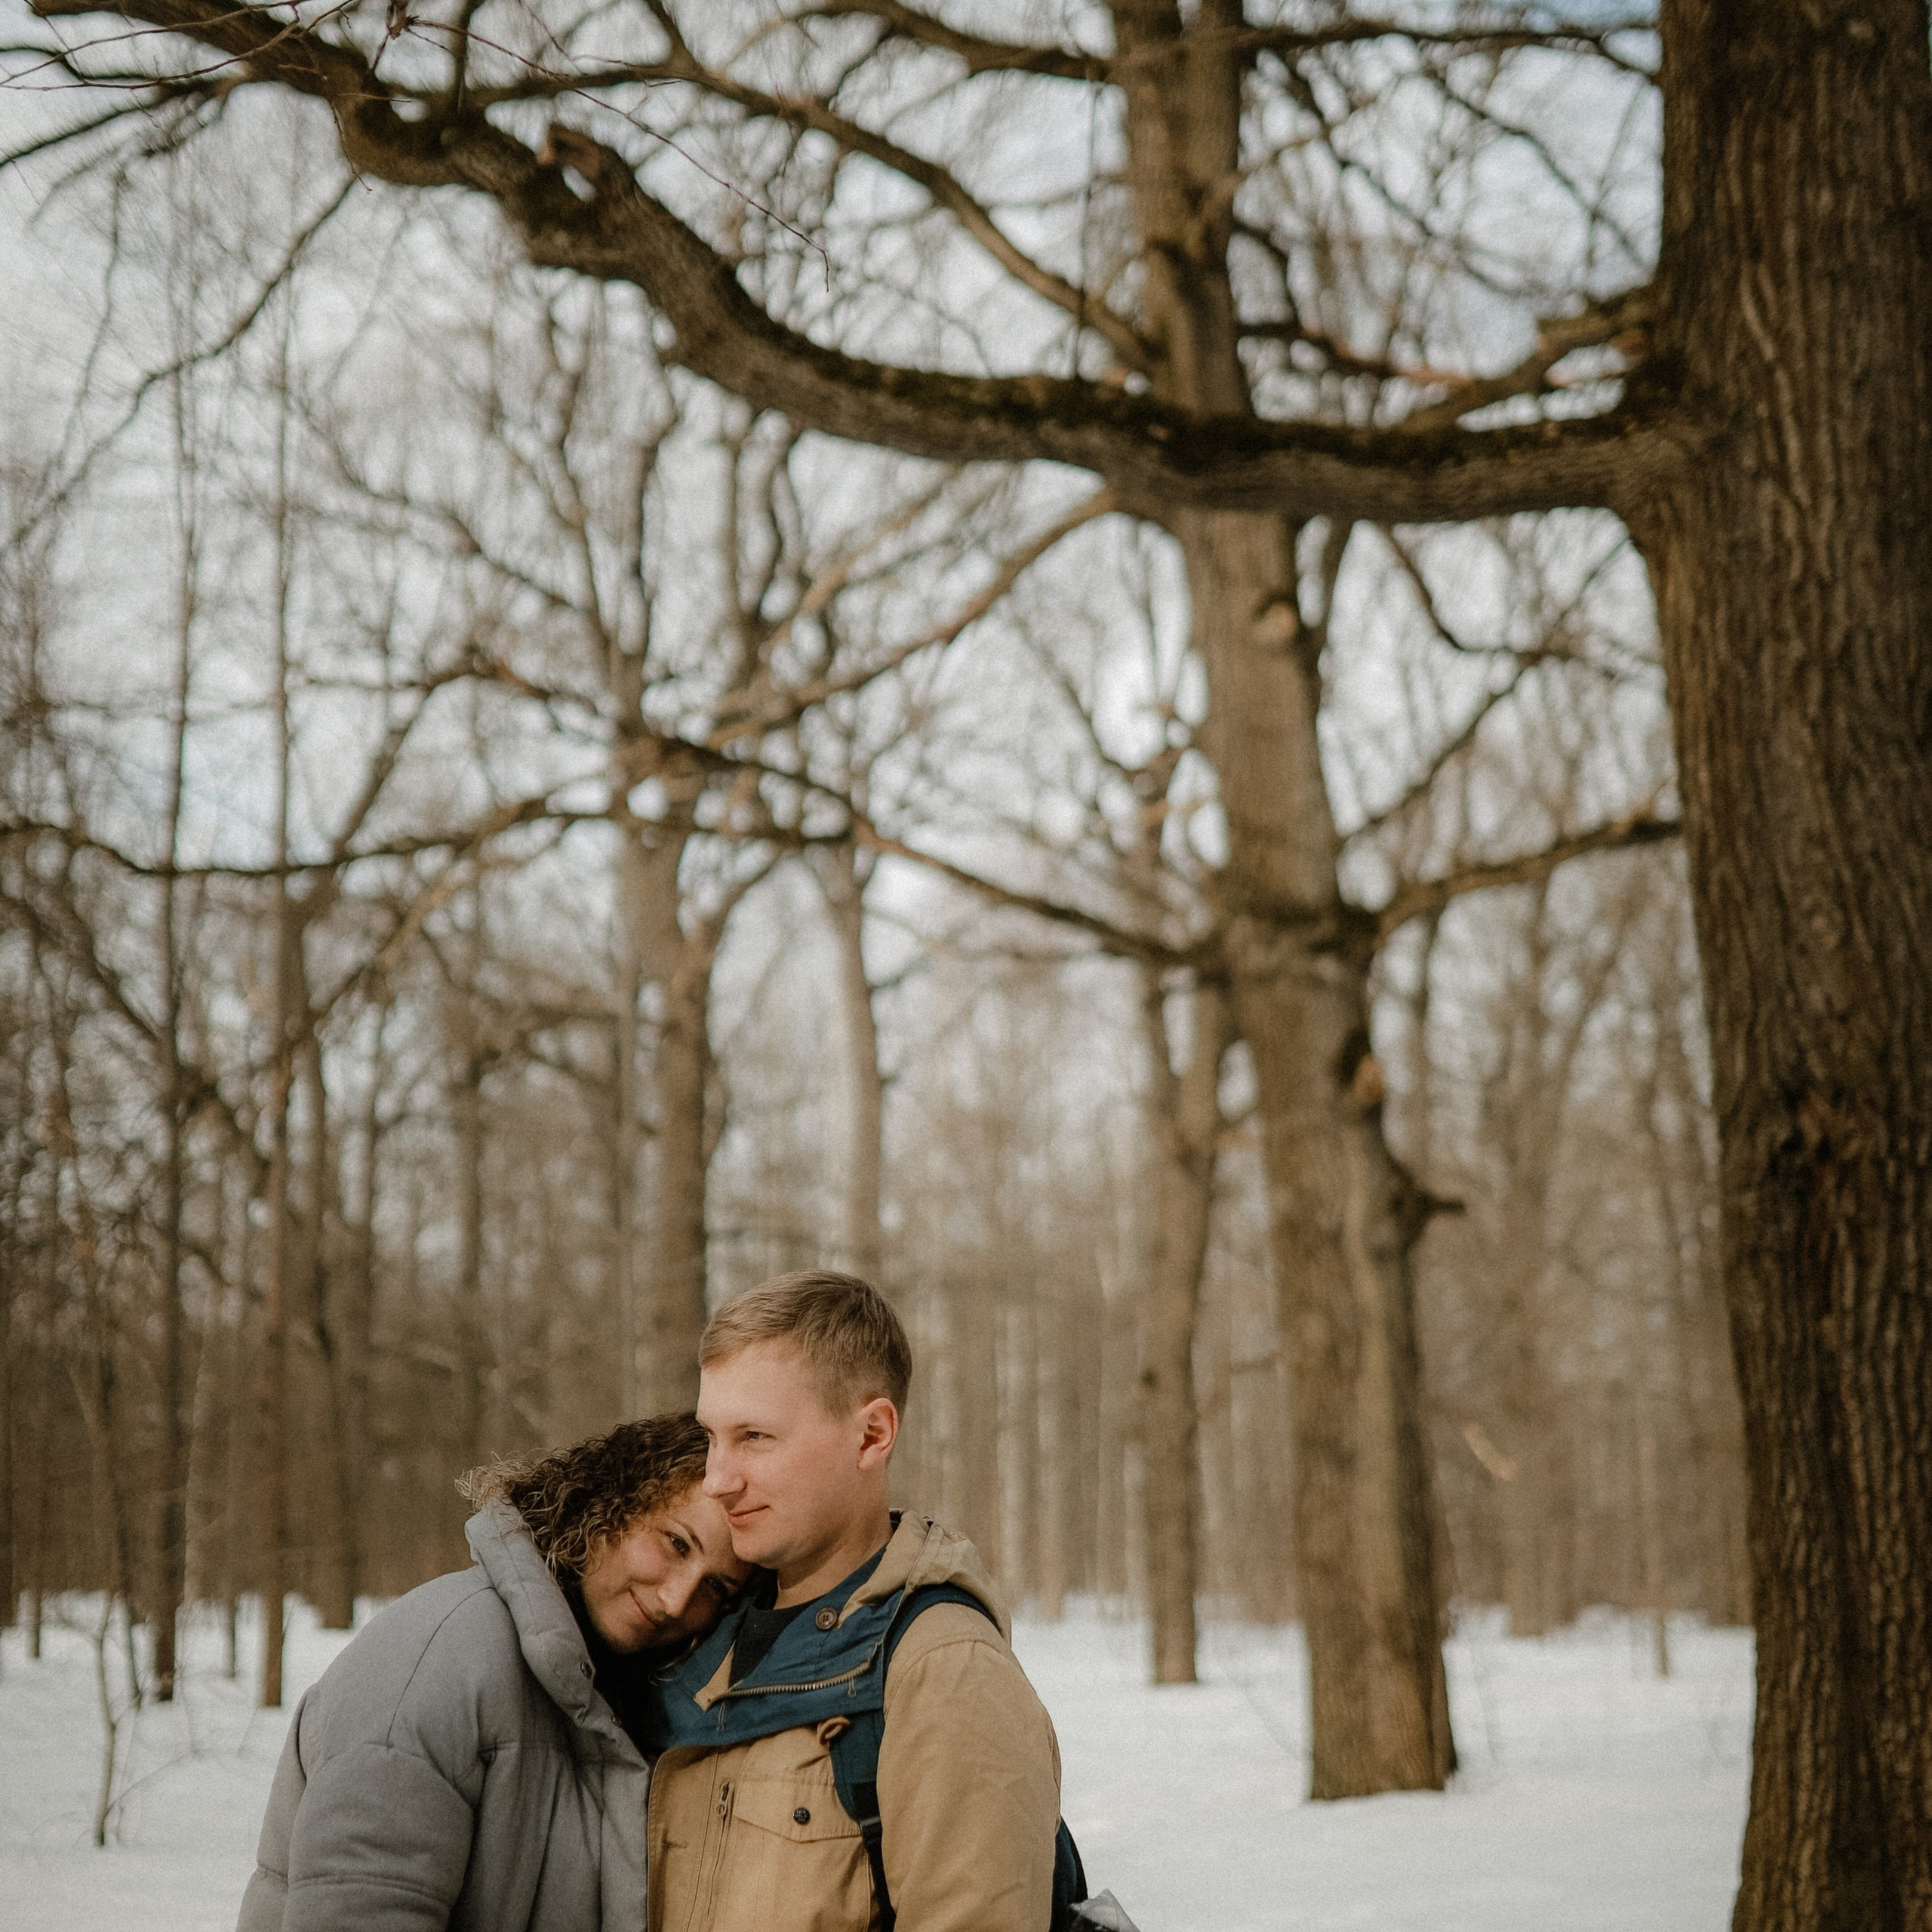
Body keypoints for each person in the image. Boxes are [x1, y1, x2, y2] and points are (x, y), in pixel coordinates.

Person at [645, 1271, 1065, 1932]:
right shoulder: (703, 1634)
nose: (718, 1479)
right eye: (711, 1437)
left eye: (755, 1437)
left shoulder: (944, 1670)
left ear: (871, 1435)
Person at [238, 1412, 749, 1932]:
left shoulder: (625, 1700)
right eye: (676, 1543)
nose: (676, 1600)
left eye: (716, 1589)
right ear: (613, 1500)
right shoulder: (438, 1658)